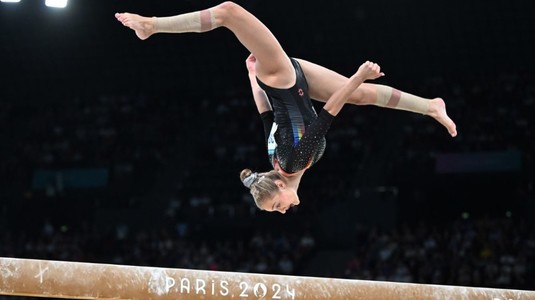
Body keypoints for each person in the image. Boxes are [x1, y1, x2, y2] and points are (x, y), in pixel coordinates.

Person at [115, 1, 457, 214]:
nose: (282, 212)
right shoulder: (276, 160)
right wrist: (252, 77)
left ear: (280, 186)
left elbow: (330, 113)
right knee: (363, 96)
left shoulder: (295, 160)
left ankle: (151, 25)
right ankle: (430, 106)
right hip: (289, 80)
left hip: (281, 76)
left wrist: (358, 75)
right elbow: (266, 116)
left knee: (229, 13)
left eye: (276, 207)